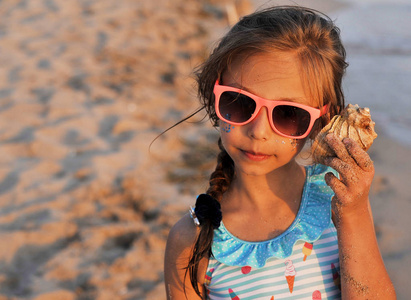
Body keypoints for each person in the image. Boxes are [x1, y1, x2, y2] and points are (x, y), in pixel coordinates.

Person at [164, 6, 395, 299]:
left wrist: (355, 214)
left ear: (321, 122)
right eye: (239, 102)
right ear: (215, 98)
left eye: (288, 113)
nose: (258, 131)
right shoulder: (193, 240)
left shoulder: (338, 203)